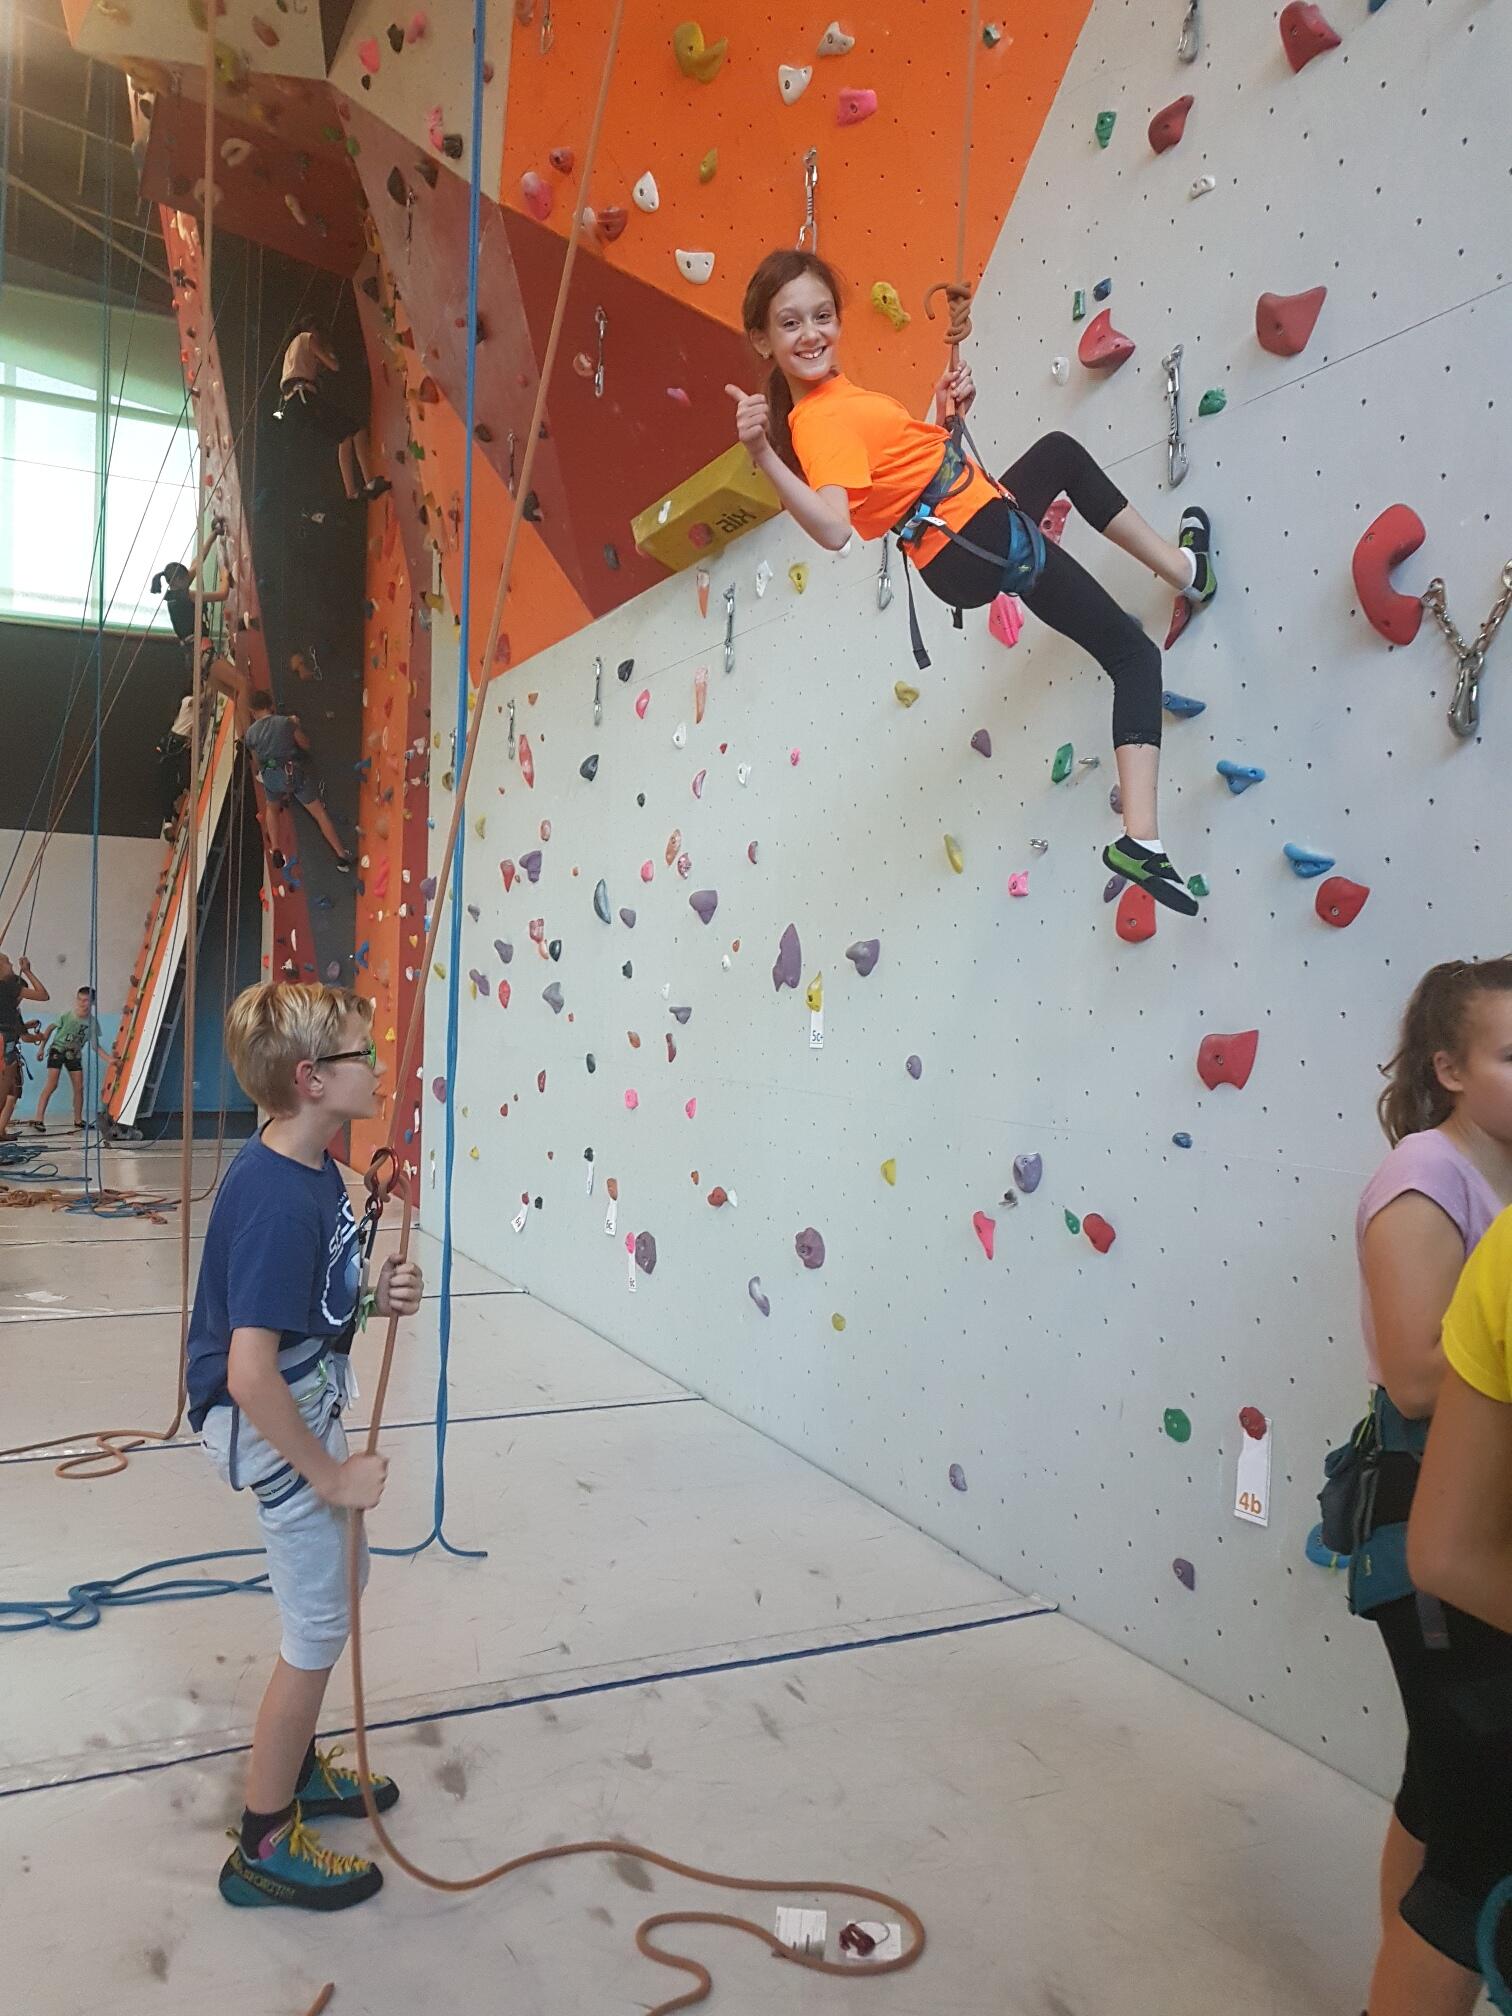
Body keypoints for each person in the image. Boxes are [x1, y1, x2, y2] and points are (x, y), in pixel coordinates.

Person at [728, 250, 1217, 915]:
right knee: (1130, 649)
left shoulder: (834, 402)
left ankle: (1143, 832)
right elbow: (837, 529)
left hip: (958, 551)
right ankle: (1184, 579)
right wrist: (762, 456)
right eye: (790, 324)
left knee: (1063, 468)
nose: (811, 334)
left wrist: (942, 414)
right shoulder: (818, 421)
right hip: (975, 536)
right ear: (763, 340)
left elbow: (906, 479)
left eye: (822, 316)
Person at [188, 982, 423, 1911]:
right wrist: (330, 1476)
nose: (380, 1066)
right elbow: (251, 1374)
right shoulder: (278, 1200)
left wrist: (368, 1298)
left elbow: (306, 1302)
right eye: (365, 1052)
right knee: (316, 1628)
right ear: (312, 1078)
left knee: (339, 1584)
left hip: (301, 1399)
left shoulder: (316, 1168)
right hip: (273, 1426)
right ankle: (262, 1842)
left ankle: (297, 1769)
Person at [1343, 956, 1512, 2016]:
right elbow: (1416, 1373)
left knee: (1442, 1782)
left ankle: (1400, 1971)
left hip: (1469, 1503)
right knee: (1475, 1819)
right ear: (1449, 1068)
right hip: (1432, 1506)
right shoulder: (1426, 1171)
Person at [278, 319, 391, 505]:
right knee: (357, 430)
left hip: (294, 402)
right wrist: (329, 352)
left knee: (344, 437)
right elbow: (334, 365)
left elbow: (308, 370)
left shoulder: (291, 348)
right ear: (312, 329)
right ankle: (370, 482)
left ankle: (352, 492)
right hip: (304, 396)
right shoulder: (307, 338)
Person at [243, 690, 355, 872]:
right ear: (270, 705)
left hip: (270, 777)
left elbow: (256, 761)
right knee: (319, 814)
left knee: (272, 809)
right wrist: (296, 726)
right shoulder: (285, 723)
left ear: (253, 711)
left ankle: (276, 847)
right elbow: (304, 744)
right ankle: (341, 855)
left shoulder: (250, 734)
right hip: (291, 773)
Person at [30, 985, 109, 1134]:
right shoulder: (67, 1015)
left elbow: (95, 1046)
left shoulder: (92, 1023)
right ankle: (38, 1118)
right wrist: (41, 1048)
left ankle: (78, 1120)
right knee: (52, 1084)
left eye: (86, 1000)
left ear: (92, 1002)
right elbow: (50, 1029)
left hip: (74, 1054)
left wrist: (109, 1059)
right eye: (79, 1000)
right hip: (58, 1050)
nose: (82, 1003)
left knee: (79, 1087)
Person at [153, 520, 232, 654]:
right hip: (196, 646)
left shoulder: (175, 588)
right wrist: (225, 574)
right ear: (175, 581)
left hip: (195, 641)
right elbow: (223, 594)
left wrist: (213, 534)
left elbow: (198, 562)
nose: (188, 580)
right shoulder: (187, 596)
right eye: (185, 579)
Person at [0, 952, 50, 1142]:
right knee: (7, 1092)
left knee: (9, 1092)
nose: (11, 964)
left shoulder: (10, 1006)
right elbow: (43, 995)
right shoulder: (8, 987)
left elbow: (19, 1029)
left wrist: (27, 1027)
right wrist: (27, 971)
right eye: (7, 962)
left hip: (6, 1040)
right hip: (5, 1043)